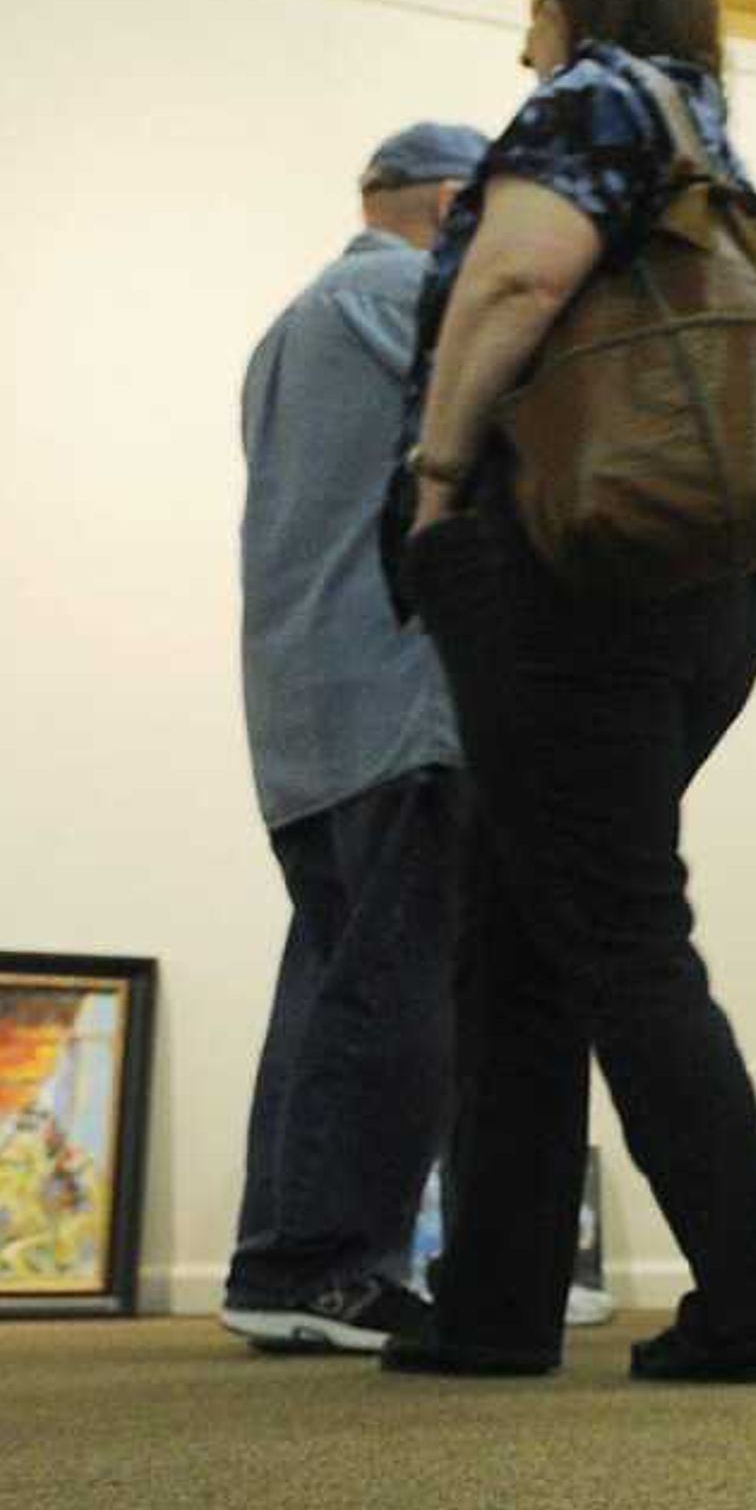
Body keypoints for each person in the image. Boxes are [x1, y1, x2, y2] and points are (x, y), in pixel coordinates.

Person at [378, 0, 756, 1384]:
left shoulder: (595, 97)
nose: (520, 40)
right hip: (704, 587)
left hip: (567, 573)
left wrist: (440, 479)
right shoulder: (710, 135)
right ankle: (497, 1303)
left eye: (533, 7)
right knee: (518, 933)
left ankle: (755, 1304)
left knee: (618, 931)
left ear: (575, 3)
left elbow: (513, 284)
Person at [220, 120, 487, 1354]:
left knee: (332, 986)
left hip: (309, 710)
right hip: (398, 693)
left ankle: (279, 1261)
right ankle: (334, 1266)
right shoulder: (400, 297)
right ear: (447, 204)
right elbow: (493, 444)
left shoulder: (293, 321)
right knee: (397, 991)